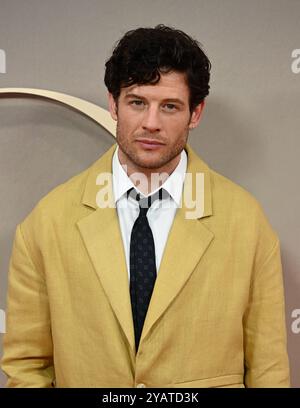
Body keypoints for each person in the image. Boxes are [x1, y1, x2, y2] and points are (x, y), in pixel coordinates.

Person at [1, 24, 290, 388]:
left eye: (170, 106)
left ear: (195, 113)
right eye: (138, 102)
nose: (151, 123)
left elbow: (269, 370)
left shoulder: (247, 223)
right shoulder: (47, 223)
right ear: (113, 104)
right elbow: (27, 366)